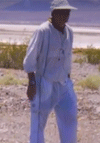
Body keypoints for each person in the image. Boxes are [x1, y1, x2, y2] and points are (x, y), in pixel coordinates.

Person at [23, 0, 77, 142]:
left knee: (69, 119)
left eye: (67, 12)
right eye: (62, 12)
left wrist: (69, 81)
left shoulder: (69, 32)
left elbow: (67, 58)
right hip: (44, 84)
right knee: (38, 124)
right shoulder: (43, 31)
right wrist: (32, 83)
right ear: (53, 14)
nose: (65, 16)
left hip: (64, 84)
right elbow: (30, 59)